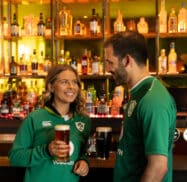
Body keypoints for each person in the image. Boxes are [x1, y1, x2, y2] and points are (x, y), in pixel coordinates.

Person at [104, 31, 176, 182]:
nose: (107, 69)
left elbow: (158, 167)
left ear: (127, 60)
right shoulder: (139, 92)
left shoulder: (152, 100)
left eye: (110, 62)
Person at [9, 64, 91, 182]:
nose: (71, 86)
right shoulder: (34, 118)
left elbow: (83, 153)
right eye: (64, 82)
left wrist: (84, 163)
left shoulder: (84, 120)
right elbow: (14, 157)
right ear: (51, 87)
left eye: (74, 82)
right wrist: (46, 151)